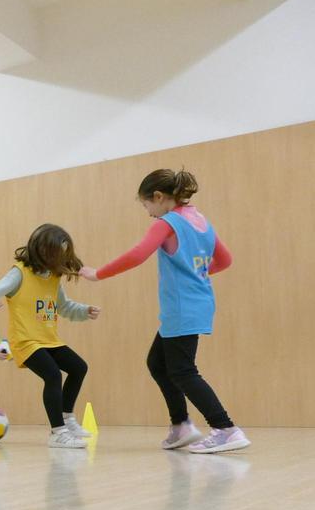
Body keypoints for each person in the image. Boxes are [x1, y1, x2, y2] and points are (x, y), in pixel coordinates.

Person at [80, 168, 249, 453]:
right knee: (158, 363)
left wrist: (98, 274)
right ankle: (181, 426)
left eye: (147, 205)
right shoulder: (201, 220)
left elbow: (137, 254)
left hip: (182, 307)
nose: (148, 213)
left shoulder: (167, 222)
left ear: (158, 197)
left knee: (183, 371)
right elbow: (225, 260)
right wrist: (196, 275)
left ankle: (225, 428)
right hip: (198, 303)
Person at [0, 223, 100, 449]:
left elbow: (63, 306)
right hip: (25, 341)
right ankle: (57, 432)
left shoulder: (53, 277)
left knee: (79, 367)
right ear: (43, 251)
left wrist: (83, 311)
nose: (61, 258)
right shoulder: (19, 273)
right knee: (52, 375)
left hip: (48, 340)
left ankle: (68, 419)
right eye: (57, 253)